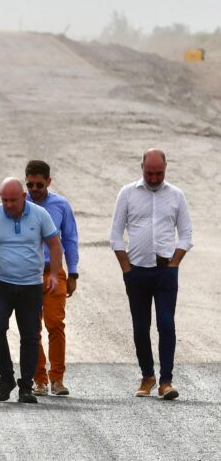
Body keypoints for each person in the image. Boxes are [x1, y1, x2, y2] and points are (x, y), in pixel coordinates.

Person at [110, 149, 192, 400]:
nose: (154, 179)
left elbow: (186, 235)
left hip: (165, 271)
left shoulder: (176, 195)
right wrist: (126, 268)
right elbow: (115, 235)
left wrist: (174, 263)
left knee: (166, 324)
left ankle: (166, 381)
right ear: (141, 168)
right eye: (149, 173)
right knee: (140, 327)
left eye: (159, 173)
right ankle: (148, 376)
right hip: (136, 271)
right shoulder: (127, 193)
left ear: (166, 168)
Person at [0, 178, 61, 404]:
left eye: (13, 200)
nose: (9, 205)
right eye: (4, 200)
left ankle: (26, 386)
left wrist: (53, 275)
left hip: (30, 285)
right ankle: (6, 379)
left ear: (24, 196)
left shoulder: (40, 215)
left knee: (30, 336)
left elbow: (54, 243)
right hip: (1, 283)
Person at [25, 160, 80, 397]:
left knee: (55, 323)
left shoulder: (60, 205)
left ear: (49, 181)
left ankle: (57, 378)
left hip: (53, 270)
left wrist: (73, 272)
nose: (34, 189)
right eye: (30, 185)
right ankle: (40, 379)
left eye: (39, 184)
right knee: (31, 327)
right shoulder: (19, 203)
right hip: (27, 272)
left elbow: (70, 239)